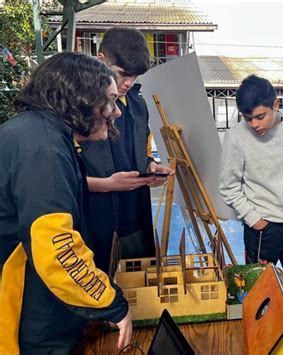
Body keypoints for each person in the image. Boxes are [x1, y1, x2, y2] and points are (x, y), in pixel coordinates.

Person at [0, 52, 131, 353]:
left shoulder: (37, 134)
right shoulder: (44, 151)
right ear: (80, 98)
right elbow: (58, 252)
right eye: (110, 101)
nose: (116, 112)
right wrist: (112, 304)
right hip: (28, 321)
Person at [81, 27, 174, 272]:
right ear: (100, 60)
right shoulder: (76, 109)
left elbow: (138, 154)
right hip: (92, 223)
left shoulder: (138, 105)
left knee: (141, 287)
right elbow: (60, 176)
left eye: (135, 76)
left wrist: (149, 167)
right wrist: (107, 184)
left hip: (134, 219)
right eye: (122, 74)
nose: (128, 83)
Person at [219, 74, 283, 297]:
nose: (254, 124)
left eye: (260, 116)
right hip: (262, 228)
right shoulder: (236, 137)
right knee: (258, 292)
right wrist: (254, 219)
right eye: (247, 118)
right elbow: (228, 186)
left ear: (276, 104)